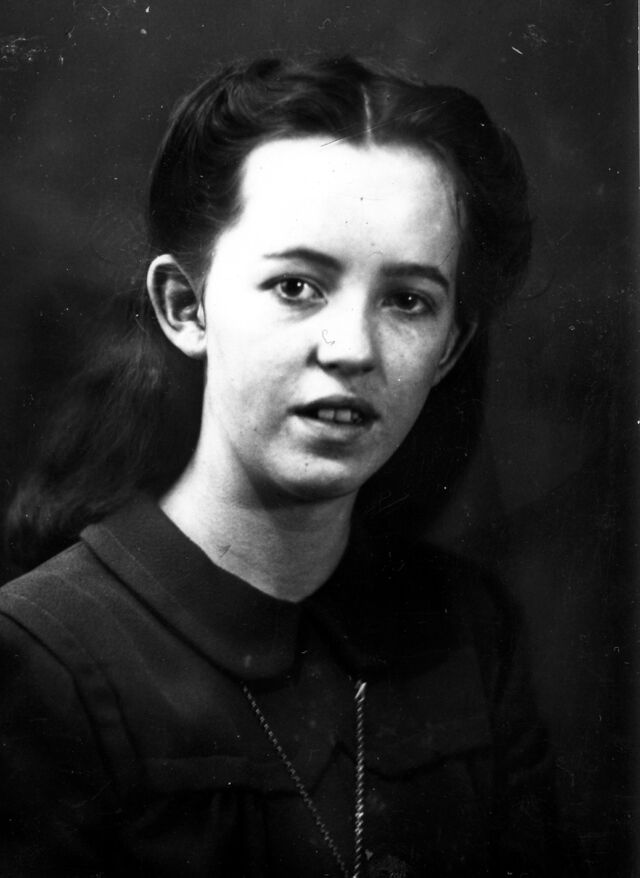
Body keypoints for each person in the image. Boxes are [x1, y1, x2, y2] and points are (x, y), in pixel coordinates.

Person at [0, 56, 568, 877]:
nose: (352, 349)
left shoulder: (470, 632)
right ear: (185, 308)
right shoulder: (40, 657)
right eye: (297, 286)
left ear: (450, 349)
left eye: (407, 300)